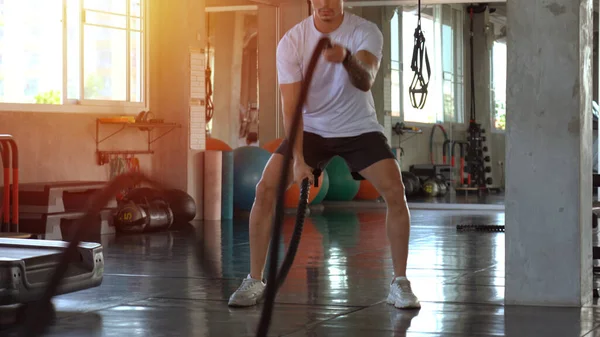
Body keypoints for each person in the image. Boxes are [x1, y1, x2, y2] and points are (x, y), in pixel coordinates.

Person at [228, 0, 420, 310]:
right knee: (264, 190)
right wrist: (299, 160)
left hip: (358, 127)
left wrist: (345, 58)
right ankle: (254, 279)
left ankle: (400, 282)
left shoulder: (364, 31)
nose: (326, 3)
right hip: (312, 130)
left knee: (395, 191)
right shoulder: (292, 41)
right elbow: (291, 106)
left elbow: (366, 78)